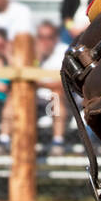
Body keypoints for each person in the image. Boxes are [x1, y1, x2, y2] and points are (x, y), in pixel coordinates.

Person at [35, 20, 68, 152]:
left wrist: (38, 83)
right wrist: (37, 57)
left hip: (61, 99)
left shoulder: (64, 52)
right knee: (16, 96)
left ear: (55, 39)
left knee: (56, 95)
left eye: (48, 37)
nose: (44, 42)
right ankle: (5, 140)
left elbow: (62, 84)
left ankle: (57, 142)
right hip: (36, 98)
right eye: (40, 37)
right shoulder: (32, 52)